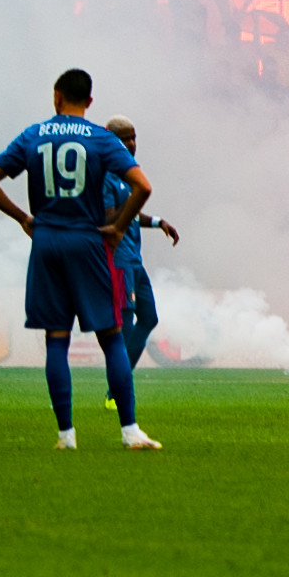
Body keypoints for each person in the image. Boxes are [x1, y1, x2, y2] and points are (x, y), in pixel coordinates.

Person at [0, 68, 163, 450]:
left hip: (47, 242)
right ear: (90, 101)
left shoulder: (33, 135)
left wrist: (23, 218)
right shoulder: (101, 138)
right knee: (112, 337)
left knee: (56, 339)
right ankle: (130, 431)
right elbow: (143, 186)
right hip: (88, 242)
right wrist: (118, 227)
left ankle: (66, 435)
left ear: (56, 96)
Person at [97, 116, 181, 411]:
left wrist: (157, 222)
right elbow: (108, 218)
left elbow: (130, 214)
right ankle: (116, 391)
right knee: (126, 324)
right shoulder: (106, 175)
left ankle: (117, 385)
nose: (132, 144)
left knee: (149, 318)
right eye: (125, 138)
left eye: (134, 138)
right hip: (118, 261)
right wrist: (132, 201)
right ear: (111, 139)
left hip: (134, 259)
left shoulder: (127, 173)